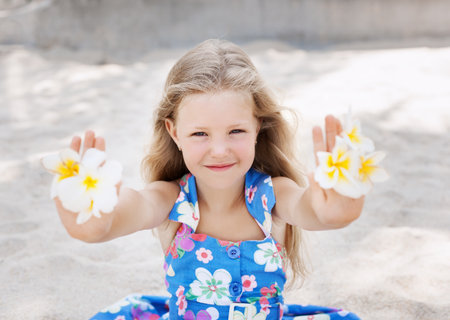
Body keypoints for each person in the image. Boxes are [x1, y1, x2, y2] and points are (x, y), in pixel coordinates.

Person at [55, 39, 363, 320]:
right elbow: (129, 208)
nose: (219, 150)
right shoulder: (169, 198)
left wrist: (336, 208)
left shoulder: (273, 194)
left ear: (258, 127)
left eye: (236, 131)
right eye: (200, 133)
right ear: (174, 132)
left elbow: (312, 209)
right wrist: (97, 221)